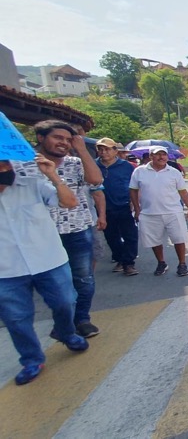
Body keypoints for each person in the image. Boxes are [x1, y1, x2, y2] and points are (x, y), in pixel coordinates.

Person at [1, 155, 89, 386]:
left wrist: (52, 175)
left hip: (48, 259)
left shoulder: (32, 182)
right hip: (6, 269)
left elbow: (70, 202)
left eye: (6, 163)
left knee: (65, 302)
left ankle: (66, 332)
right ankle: (31, 359)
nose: (5, 168)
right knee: (16, 318)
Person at [17, 120, 104, 339]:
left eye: (67, 139)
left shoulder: (76, 162)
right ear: (40, 138)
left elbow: (95, 180)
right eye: (58, 138)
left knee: (83, 279)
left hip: (77, 230)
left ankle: (82, 319)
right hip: (40, 234)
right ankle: (64, 323)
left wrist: (82, 149)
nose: (63, 143)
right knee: (56, 285)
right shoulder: (22, 164)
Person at [130, 146, 188, 277]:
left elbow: (182, 191)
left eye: (164, 154)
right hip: (149, 213)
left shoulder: (174, 172)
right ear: (151, 156)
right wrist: (137, 209)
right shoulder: (139, 171)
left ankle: (182, 264)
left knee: (179, 238)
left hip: (173, 211)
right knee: (154, 241)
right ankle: (161, 263)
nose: (161, 157)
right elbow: (133, 190)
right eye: (158, 154)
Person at [96, 138, 139, 276]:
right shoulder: (94, 165)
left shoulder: (126, 166)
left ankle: (128, 263)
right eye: (101, 149)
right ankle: (121, 259)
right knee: (111, 237)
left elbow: (134, 186)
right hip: (103, 209)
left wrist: (135, 203)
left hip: (123, 205)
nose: (104, 152)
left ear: (115, 151)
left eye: (107, 149)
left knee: (130, 235)